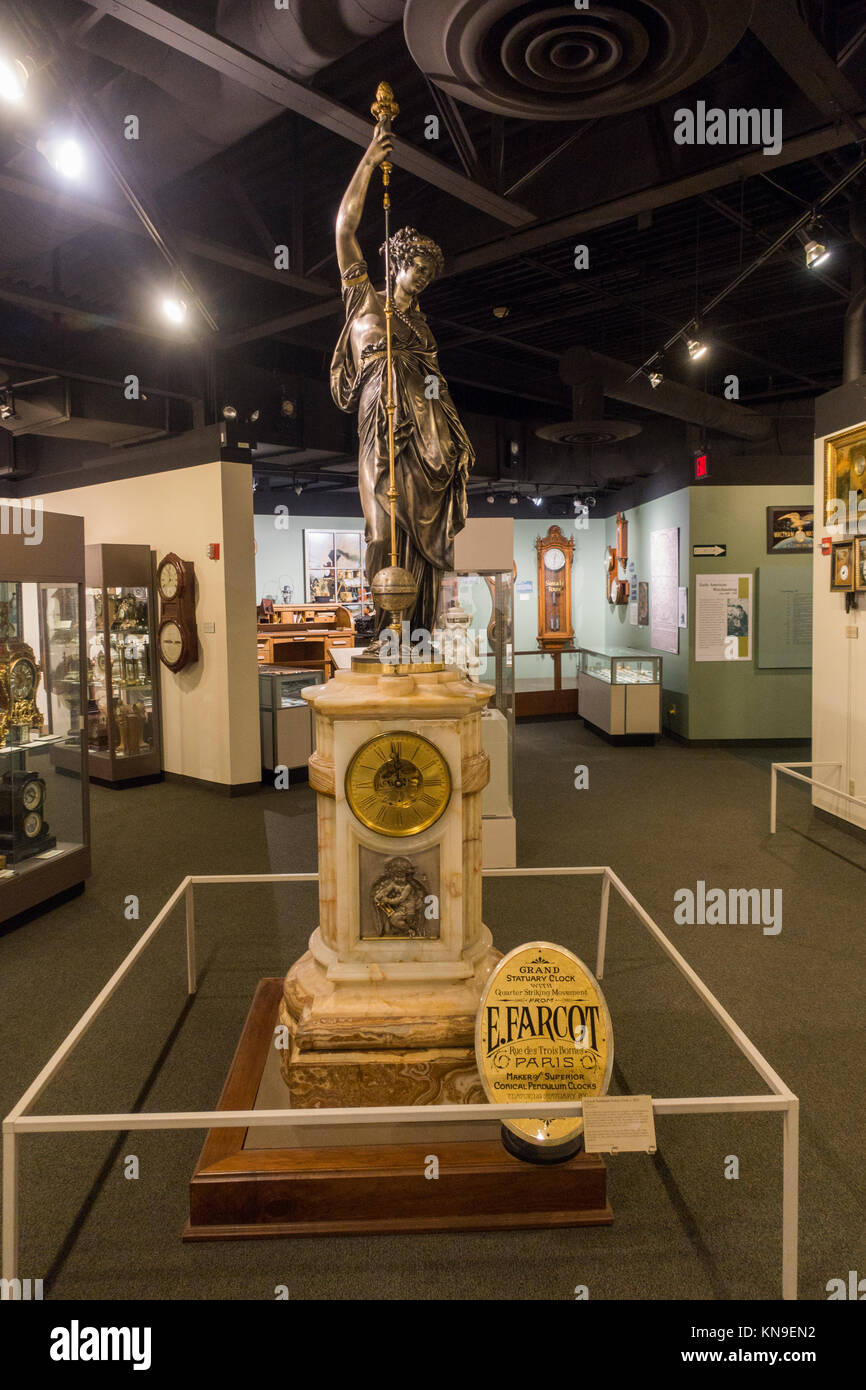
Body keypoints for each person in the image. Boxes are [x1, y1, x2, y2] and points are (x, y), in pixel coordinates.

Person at [331, 120, 474, 638]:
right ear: (397, 261)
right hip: (380, 425)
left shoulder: (422, 330)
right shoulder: (365, 300)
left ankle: (416, 632)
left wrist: (451, 426)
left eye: (430, 274)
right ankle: (386, 625)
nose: (423, 277)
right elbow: (344, 230)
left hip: (426, 438)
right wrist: (369, 161)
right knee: (383, 529)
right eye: (417, 266)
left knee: (425, 543)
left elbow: (433, 382)